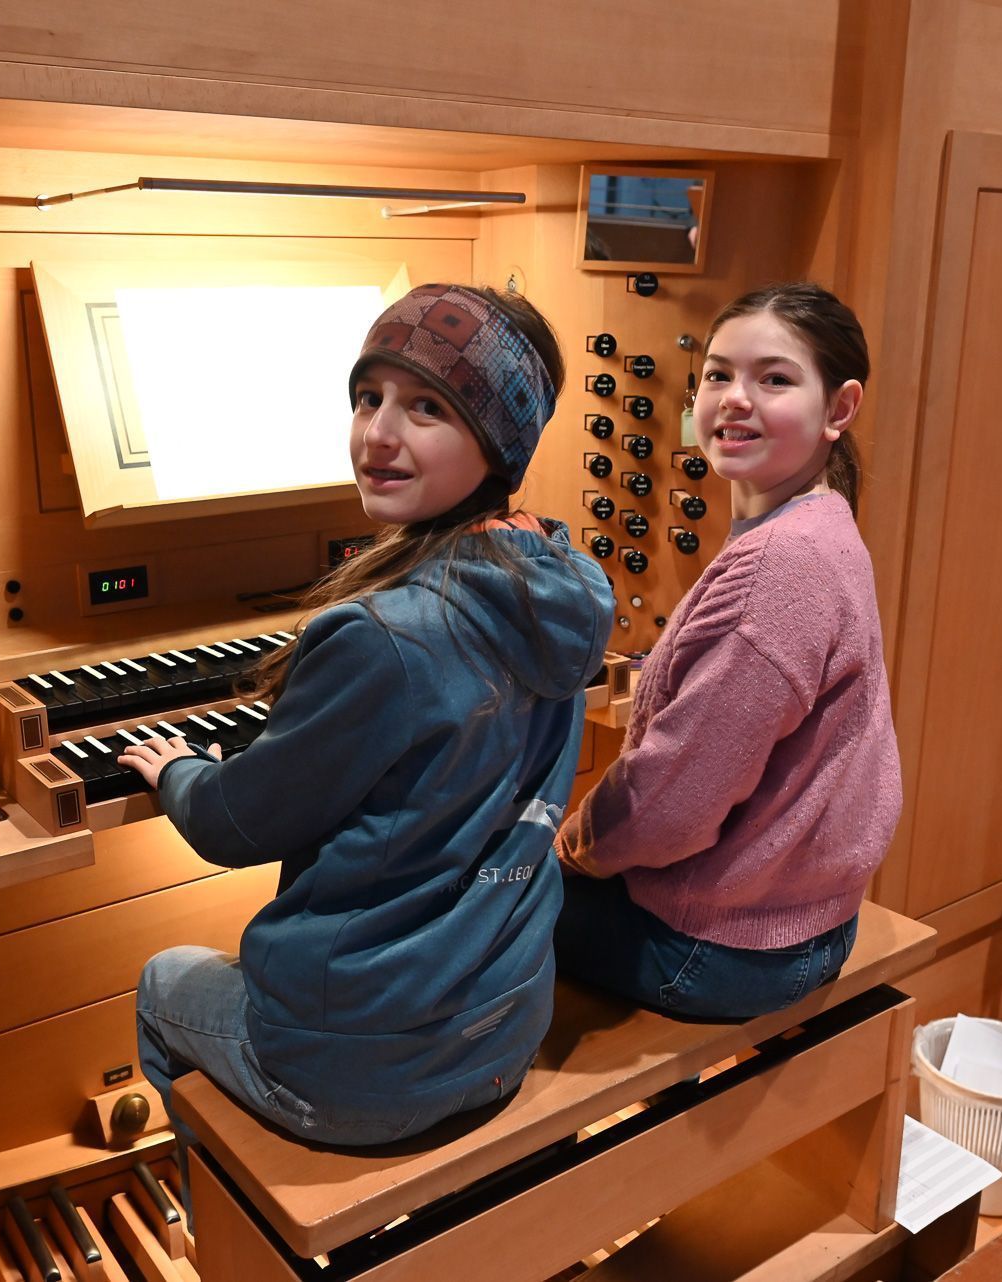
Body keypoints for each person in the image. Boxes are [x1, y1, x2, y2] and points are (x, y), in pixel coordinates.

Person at [117, 285, 613, 1182]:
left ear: (495, 441)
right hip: (502, 1026)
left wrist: (180, 771)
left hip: (364, 1067)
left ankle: (221, 1223)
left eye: (427, 407)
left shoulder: (384, 637)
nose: (378, 434)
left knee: (162, 980)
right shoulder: (560, 588)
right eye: (367, 398)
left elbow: (236, 824)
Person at [554, 281, 901, 1019]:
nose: (735, 399)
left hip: (716, 949)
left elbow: (669, 813)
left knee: (466, 903)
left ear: (839, 409)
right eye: (718, 375)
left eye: (773, 379)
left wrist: (568, 847)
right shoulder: (823, 524)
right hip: (804, 919)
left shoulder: (779, 565)